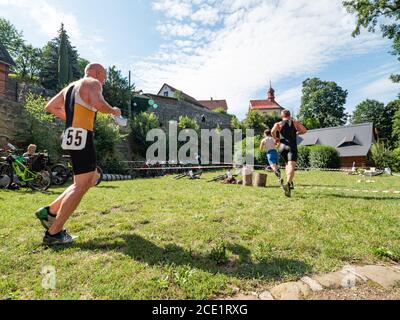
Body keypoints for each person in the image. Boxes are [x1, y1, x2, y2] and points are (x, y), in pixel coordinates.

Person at [35, 63, 121, 245]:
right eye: (104, 78)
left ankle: (49, 211)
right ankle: (54, 233)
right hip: (82, 134)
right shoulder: (92, 82)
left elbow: (50, 106)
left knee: (86, 180)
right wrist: (114, 111)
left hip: (71, 134)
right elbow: (99, 104)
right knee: (82, 185)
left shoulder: (70, 87)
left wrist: (71, 119)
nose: (103, 83)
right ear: (97, 72)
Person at [271, 110, 307, 198]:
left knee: (287, 164)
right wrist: (298, 132)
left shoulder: (278, 124)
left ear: (282, 116)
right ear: (290, 115)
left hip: (282, 147)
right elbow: (304, 130)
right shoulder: (295, 122)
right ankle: (288, 184)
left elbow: (272, 132)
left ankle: (290, 182)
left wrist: (276, 139)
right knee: (291, 165)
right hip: (292, 146)